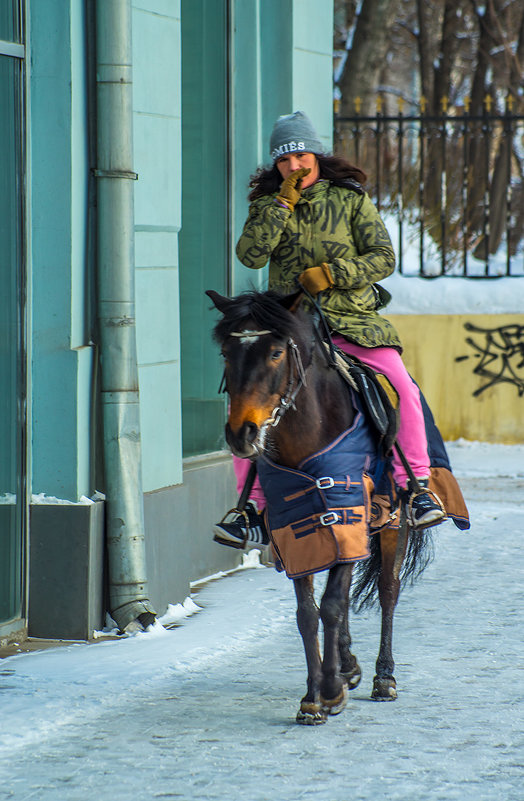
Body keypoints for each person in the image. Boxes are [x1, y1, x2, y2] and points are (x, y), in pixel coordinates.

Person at [213, 111, 445, 549]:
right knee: (242, 396)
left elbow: (383, 257)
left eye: (300, 156)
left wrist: (334, 273)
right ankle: (249, 510)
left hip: (352, 323)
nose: (293, 167)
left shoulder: (350, 200)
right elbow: (250, 256)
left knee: (402, 388)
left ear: (315, 154)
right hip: (289, 327)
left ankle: (416, 487)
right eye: (284, 161)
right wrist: (280, 207)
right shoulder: (266, 206)